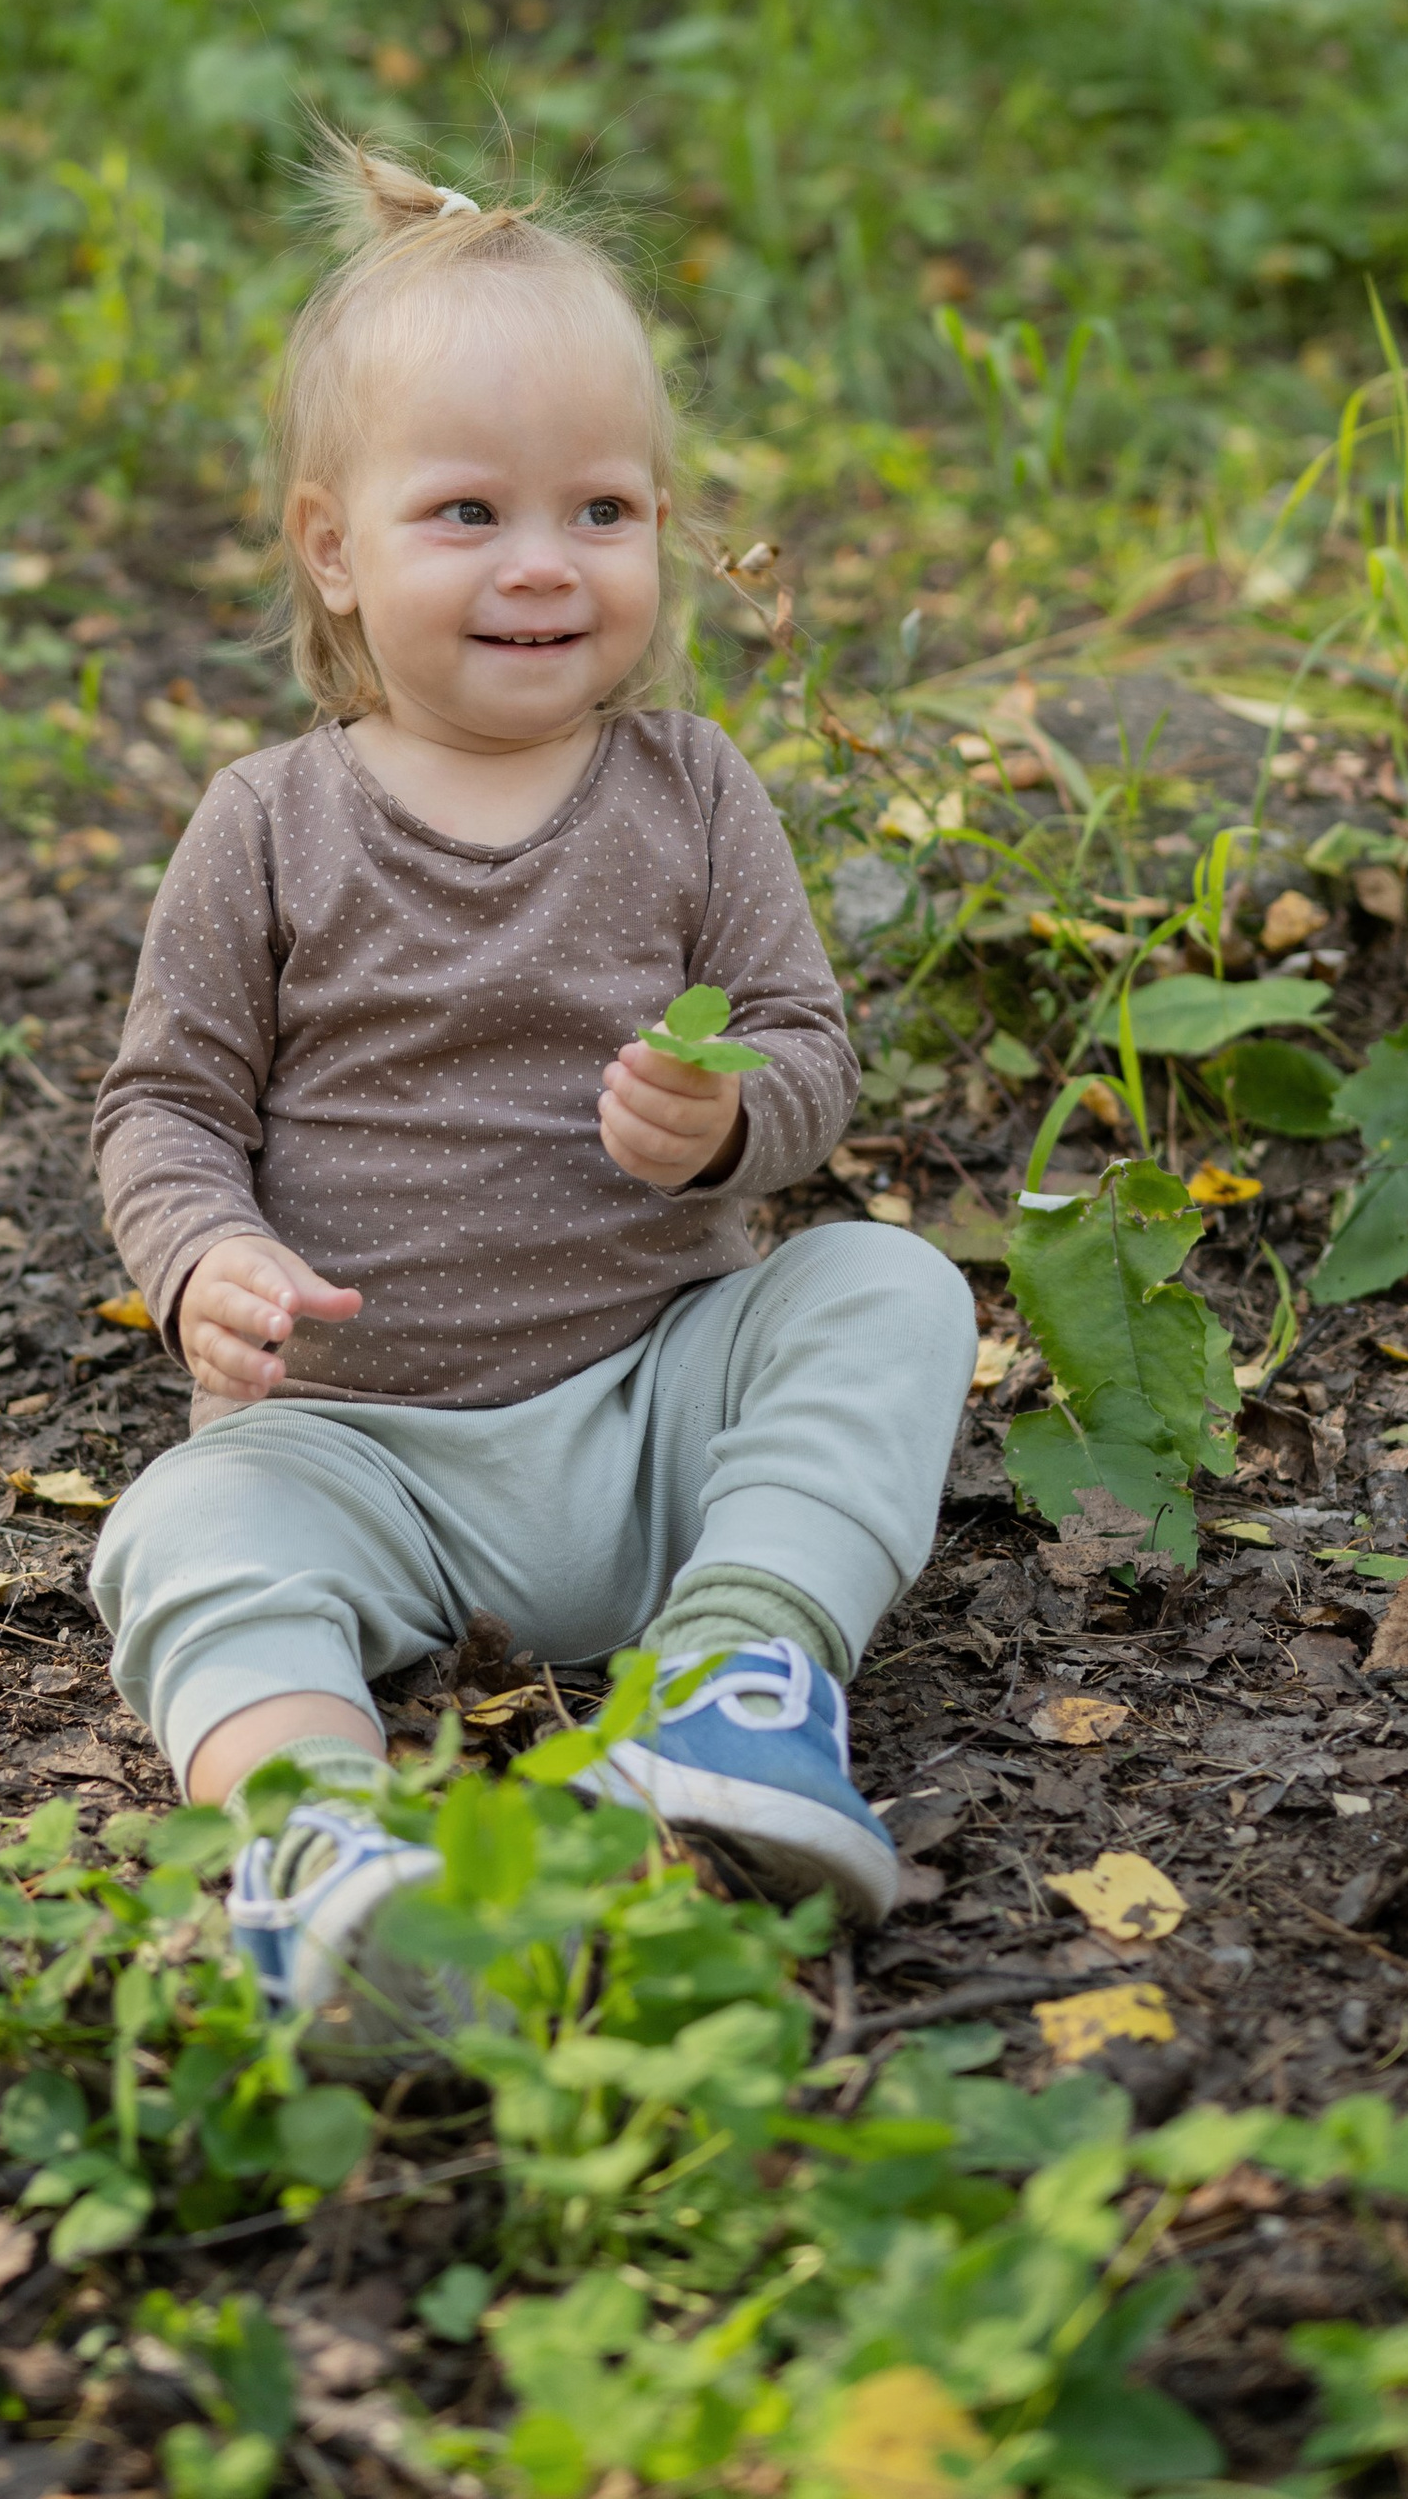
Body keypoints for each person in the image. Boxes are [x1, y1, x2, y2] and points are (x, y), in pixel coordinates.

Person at [88, 140, 975, 2049]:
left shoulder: (692, 792)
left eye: (600, 507)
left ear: (660, 525)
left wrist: (731, 1125)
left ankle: (736, 1689)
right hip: (359, 1448)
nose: (543, 563)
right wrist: (205, 1260)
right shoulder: (267, 825)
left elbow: (811, 1046)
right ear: (335, 545)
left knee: (889, 1292)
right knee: (180, 1527)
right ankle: (319, 1848)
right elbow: (160, 1111)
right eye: (469, 509)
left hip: (658, 1415)